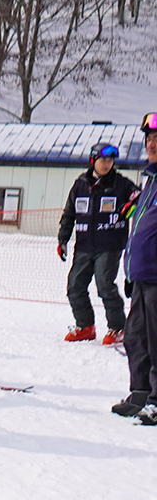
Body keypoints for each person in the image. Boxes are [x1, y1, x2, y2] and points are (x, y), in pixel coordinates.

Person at [58, 142, 139, 344]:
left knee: (105, 285)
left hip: (109, 245)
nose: (107, 164)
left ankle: (118, 328)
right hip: (84, 245)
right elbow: (69, 214)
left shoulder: (121, 184)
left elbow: (141, 199)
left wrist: (131, 206)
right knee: (75, 286)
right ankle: (85, 326)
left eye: (110, 161)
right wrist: (63, 239)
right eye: (103, 160)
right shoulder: (80, 184)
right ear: (93, 160)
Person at [118, 114, 157, 421]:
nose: (151, 145)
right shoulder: (150, 181)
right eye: (149, 139)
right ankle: (142, 392)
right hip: (142, 275)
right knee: (136, 338)